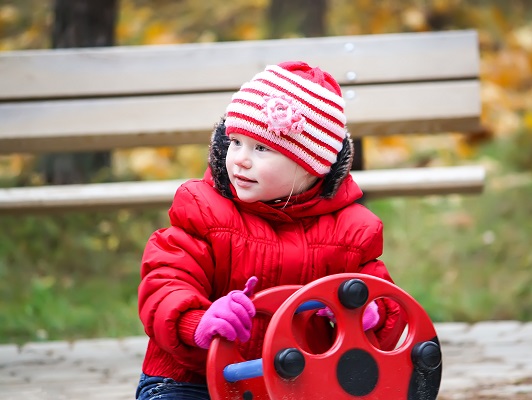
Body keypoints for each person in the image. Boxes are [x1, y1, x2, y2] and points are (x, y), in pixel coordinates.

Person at [135, 61, 406, 399]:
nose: (240, 160)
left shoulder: (352, 233)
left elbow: (389, 306)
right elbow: (166, 281)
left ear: (312, 166)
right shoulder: (202, 209)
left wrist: (369, 315)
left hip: (298, 384)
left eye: (261, 149)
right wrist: (197, 322)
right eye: (235, 142)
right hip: (194, 376)